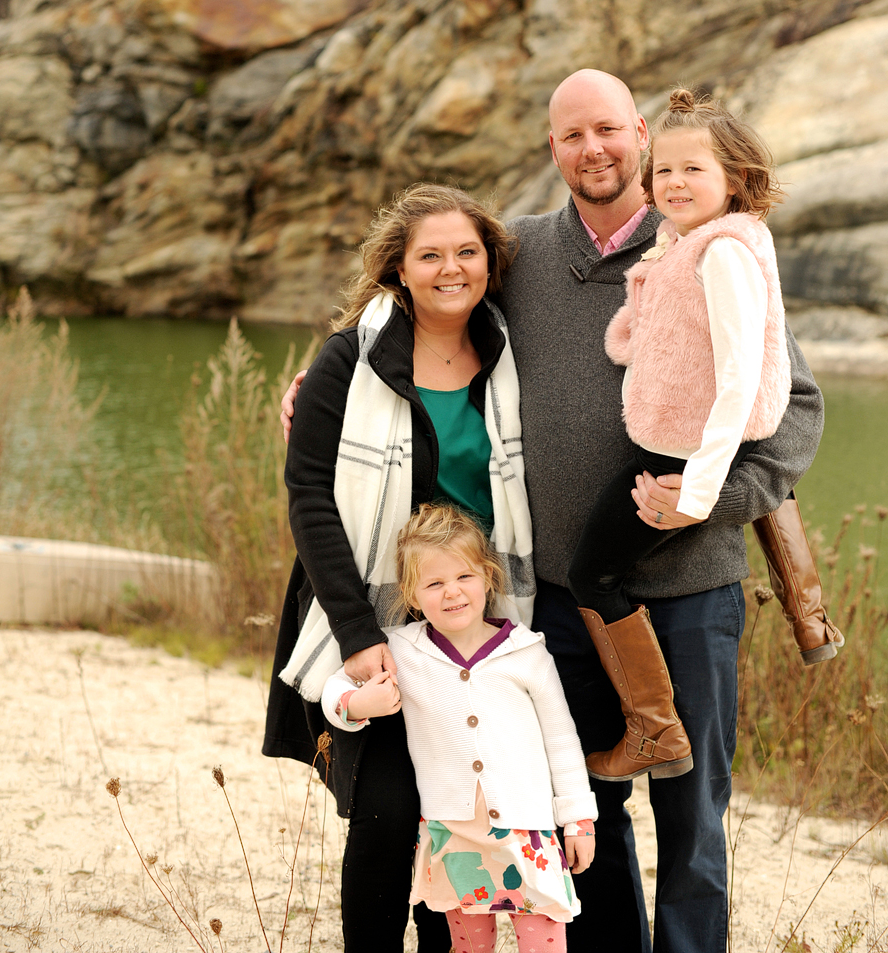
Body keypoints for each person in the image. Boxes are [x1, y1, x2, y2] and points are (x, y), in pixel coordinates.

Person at [278, 69, 826, 953]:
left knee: (693, 820)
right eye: (573, 135)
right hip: (564, 600)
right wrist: (326, 372)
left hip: (690, 591)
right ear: (552, 149)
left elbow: (792, 408)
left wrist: (706, 499)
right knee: (579, 808)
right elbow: (420, 293)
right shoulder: (521, 255)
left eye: (609, 129)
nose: (594, 149)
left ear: (642, 135)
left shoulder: (708, 245)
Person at [262, 183, 536, 953]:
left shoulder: (512, 351)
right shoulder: (352, 356)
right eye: (431, 255)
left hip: (480, 628)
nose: (452, 268)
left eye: (467, 252)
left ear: (490, 262)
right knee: (385, 817)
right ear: (400, 268)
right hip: (376, 617)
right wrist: (355, 632)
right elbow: (308, 491)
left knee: (454, 822)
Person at [565, 87, 842, 785]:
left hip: (684, 448)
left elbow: (740, 380)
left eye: (695, 170)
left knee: (592, 572)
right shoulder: (685, 247)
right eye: (665, 171)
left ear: (735, 181)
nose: (675, 183)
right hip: (679, 436)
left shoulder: (723, 255)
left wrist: (700, 487)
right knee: (602, 565)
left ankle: (655, 730)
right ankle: (810, 620)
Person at [322, 504, 597, 953]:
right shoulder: (401, 652)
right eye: (434, 583)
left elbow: (562, 741)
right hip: (454, 837)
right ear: (411, 595)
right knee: (469, 948)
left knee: (545, 945)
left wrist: (578, 819)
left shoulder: (526, 652)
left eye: (464, 577)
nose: (452, 593)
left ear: (488, 577)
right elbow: (333, 690)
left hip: (529, 832)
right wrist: (358, 703)